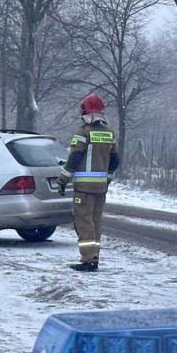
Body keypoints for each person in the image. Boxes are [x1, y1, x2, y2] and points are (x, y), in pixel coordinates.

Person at [57, 93, 120, 271]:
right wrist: (107, 180)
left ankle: (88, 260)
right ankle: (94, 256)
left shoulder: (83, 132)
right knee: (95, 222)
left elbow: (74, 158)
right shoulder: (109, 133)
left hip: (83, 188)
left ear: (84, 111)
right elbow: (115, 161)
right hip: (100, 188)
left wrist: (62, 180)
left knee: (83, 223)